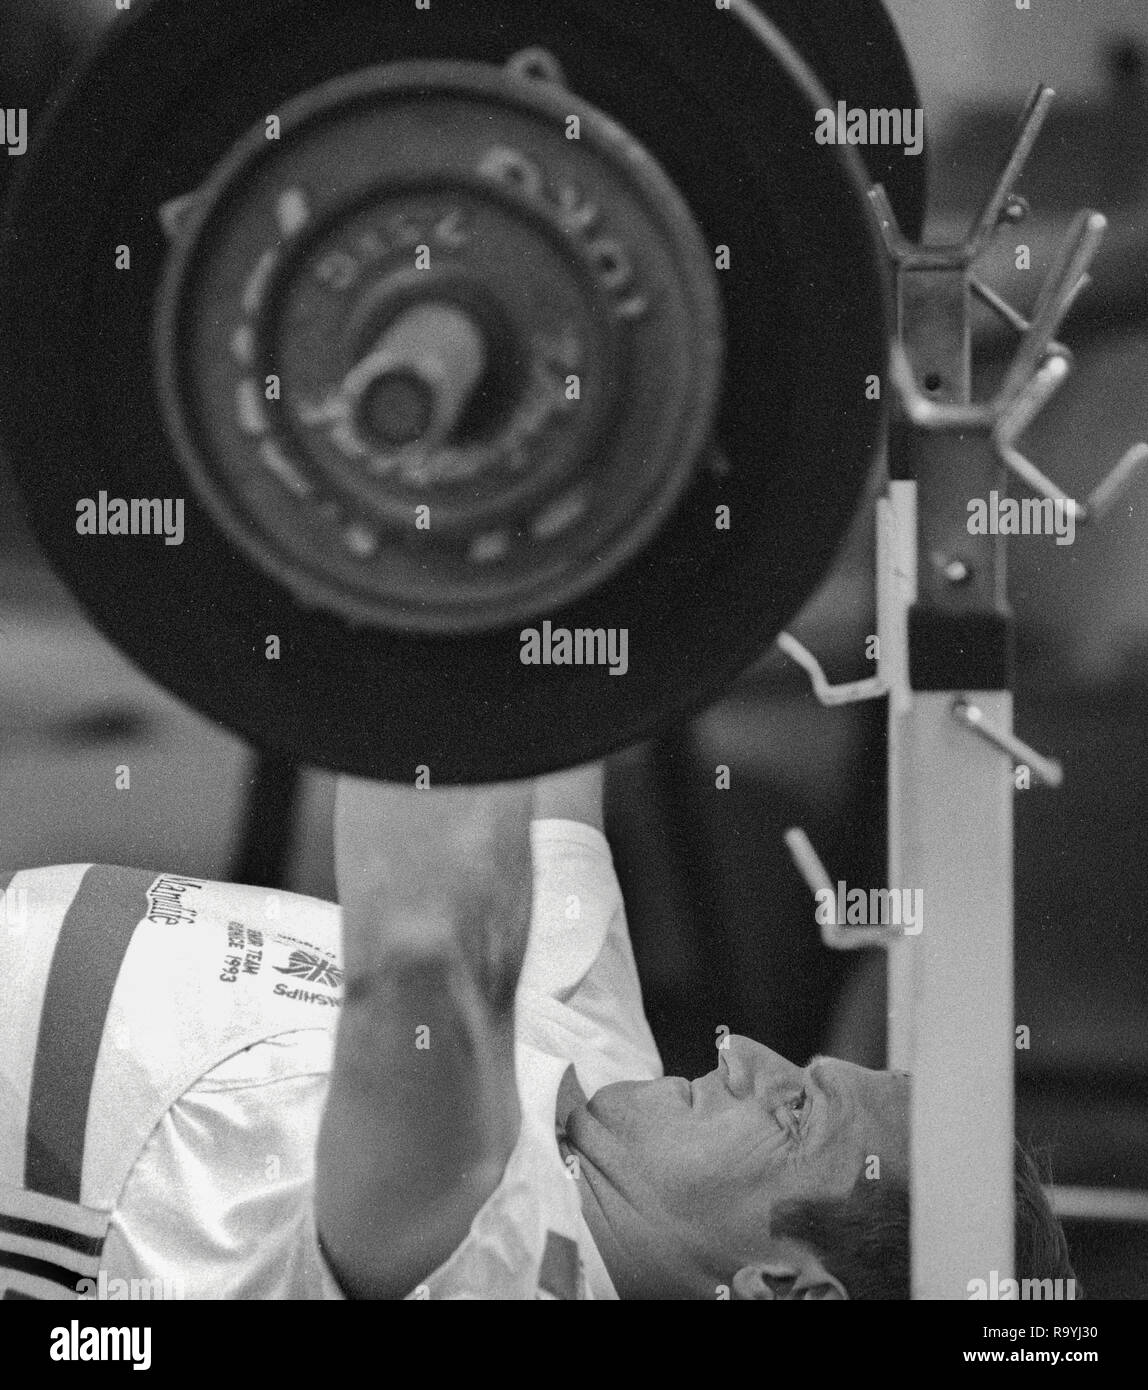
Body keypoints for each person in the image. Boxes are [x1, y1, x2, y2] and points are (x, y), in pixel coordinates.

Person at [0, 763, 1074, 1299]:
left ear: (782, 1287)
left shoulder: (511, 1268)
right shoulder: (612, 1102)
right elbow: (557, 761)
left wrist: (412, 546)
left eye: (794, 1109)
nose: (743, 1053)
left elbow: (418, 951)